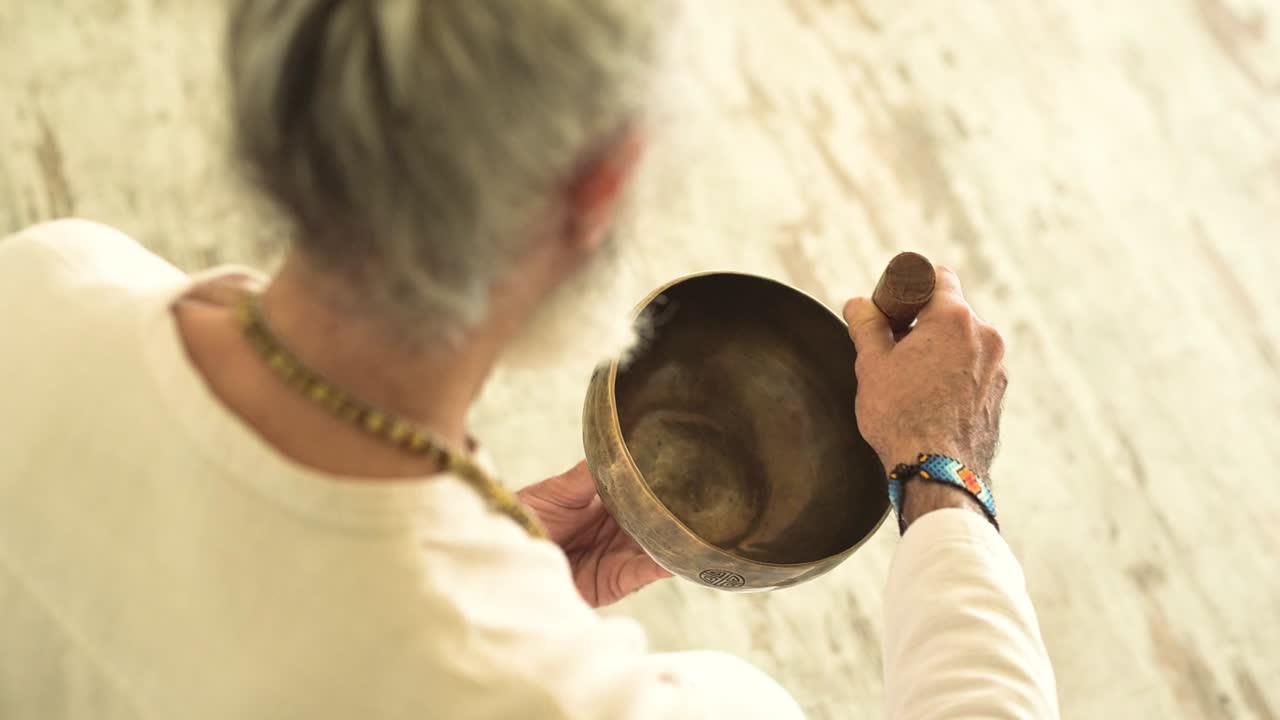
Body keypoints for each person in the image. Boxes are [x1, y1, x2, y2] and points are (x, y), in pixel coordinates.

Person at [0, 1, 1058, 718]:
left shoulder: (43, 285)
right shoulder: (559, 699)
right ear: (598, 186)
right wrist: (942, 466)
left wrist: (476, 566)